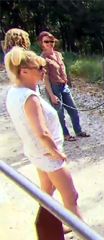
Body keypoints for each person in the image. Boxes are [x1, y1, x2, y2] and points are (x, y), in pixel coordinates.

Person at [4, 47, 84, 226]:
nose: (43, 71)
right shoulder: (30, 98)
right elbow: (41, 132)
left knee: (46, 192)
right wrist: (56, 152)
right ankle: (88, 237)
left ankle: (47, 228)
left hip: (36, 153)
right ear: (24, 72)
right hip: (47, 155)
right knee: (71, 196)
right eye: (39, 68)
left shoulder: (14, 93)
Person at [38, 31, 89, 142]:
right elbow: (45, 78)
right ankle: (65, 134)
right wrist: (51, 95)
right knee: (59, 113)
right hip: (54, 87)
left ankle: (78, 130)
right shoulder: (42, 58)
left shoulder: (58, 54)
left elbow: (63, 69)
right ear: (41, 43)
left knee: (73, 110)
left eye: (51, 41)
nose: (50, 43)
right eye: (46, 41)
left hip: (63, 85)